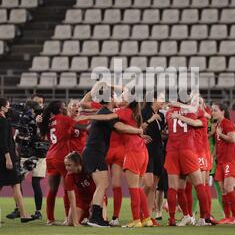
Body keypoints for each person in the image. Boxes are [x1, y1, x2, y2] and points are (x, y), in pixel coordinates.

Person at [78, 82, 146, 227]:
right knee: (103, 184)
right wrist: (139, 131)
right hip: (95, 152)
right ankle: (95, 217)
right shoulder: (107, 112)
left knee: (103, 184)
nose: (117, 98)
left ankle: (96, 216)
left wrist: (105, 87)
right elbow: (119, 126)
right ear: (110, 100)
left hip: (96, 151)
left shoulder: (106, 110)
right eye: (114, 96)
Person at [164, 98, 212, 226]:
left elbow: (166, 129)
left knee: (174, 188)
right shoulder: (193, 111)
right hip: (188, 150)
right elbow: (204, 117)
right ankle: (203, 218)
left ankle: (174, 218)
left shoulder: (169, 112)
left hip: (172, 151)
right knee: (199, 185)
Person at [0, 98, 35, 224]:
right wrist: (8, 159)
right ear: (2, 108)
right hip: (4, 158)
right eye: (8, 106)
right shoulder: (2, 122)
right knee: (13, 185)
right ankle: (23, 214)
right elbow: (4, 143)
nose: (10, 108)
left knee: (3, 187)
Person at [39, 101, 77, 225]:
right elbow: (81, 128)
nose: (66, 107)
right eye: (64, 106)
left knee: (52, 190)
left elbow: (46, 135)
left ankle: (50, 219)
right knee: (68, 188)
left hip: (50, 156)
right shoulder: (65, 119)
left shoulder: (49, 121)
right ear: (60, 109)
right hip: (61, 156)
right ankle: (68, 218)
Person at [212, 103, 235, 225]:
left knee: (229, 187)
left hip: (230, 159)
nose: (212, 112)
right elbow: (217, 145)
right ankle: (227, 217)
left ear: (222, 112)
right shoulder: (217, 125)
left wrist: (220, 134)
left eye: (215, 110)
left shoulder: (227, 123)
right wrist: (212, 158)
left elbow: (233, 139)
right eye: (212, 110)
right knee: (223, 189)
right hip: (221, 161)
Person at [141, 94, 165, 226]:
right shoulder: (144, 112)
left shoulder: (161, 115)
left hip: (158, 151)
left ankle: (148, 216)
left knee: (154, 186)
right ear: (154, 100)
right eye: (161, 98)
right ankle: (139, 212)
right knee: (148, 184)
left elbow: (160, 133)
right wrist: (151, 119)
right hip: (147, 151)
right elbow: (140, 128)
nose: (164, 100)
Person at [63, 152, 106, 226]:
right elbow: (72, 201)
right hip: (81, 200)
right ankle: (86, 217)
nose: (67, 168)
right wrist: (75, 222)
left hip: (97, 198)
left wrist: (93, 203)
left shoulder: (90, 169)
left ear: (77, 163)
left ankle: (88, 217)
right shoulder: (69, 176)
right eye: (66, 165)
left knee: (101, 221)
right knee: (70, 223)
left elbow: (101, 186)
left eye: (69, 165)